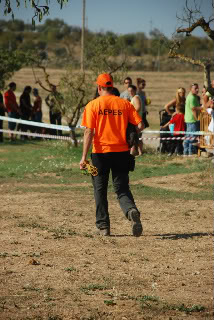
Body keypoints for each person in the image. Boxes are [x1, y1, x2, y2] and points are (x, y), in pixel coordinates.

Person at [79, 73, 144, 237]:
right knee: (122, 188)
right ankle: (131, 210)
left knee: (99, 189)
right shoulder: (125, 104)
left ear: (99, 87)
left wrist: (83, 158)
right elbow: (140, 125)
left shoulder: (92, 105)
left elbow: (88, 132)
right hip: (122, 153)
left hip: (99, 156)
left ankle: (103, 227)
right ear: (112, 86)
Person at [183, 83, 203, 156]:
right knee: (192, 137)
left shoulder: (192, 96)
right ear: (191, 89)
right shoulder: (191, 97)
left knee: (188, 137)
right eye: (195, 88)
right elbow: (193, 109)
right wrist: (197, 119)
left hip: (189, 119)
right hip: (192, 120)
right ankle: (190, 153)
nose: (197, 90)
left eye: (197, 88)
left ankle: (186, 152)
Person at [128, 84, 143, 156]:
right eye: (129, 91)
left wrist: (130, 114)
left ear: (135, 90)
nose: (130, 92)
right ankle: (138, 152)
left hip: (136, 120)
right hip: (136, 120)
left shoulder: (136, 98)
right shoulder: (133, 98)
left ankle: (135, 153)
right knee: (137, 136)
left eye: (131, 91)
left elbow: (138, 108)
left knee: (134, 137)